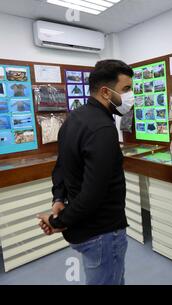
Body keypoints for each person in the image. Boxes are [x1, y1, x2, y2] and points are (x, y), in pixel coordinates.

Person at [37, 59, 135, 285]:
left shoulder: (74, 118)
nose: (131, 96)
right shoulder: (102, 129)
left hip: (85, 229)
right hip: (102, 233)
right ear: (105, 92)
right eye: (126, 89)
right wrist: (56, 221)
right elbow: (93, 194)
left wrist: (59, 198)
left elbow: (60, 167)